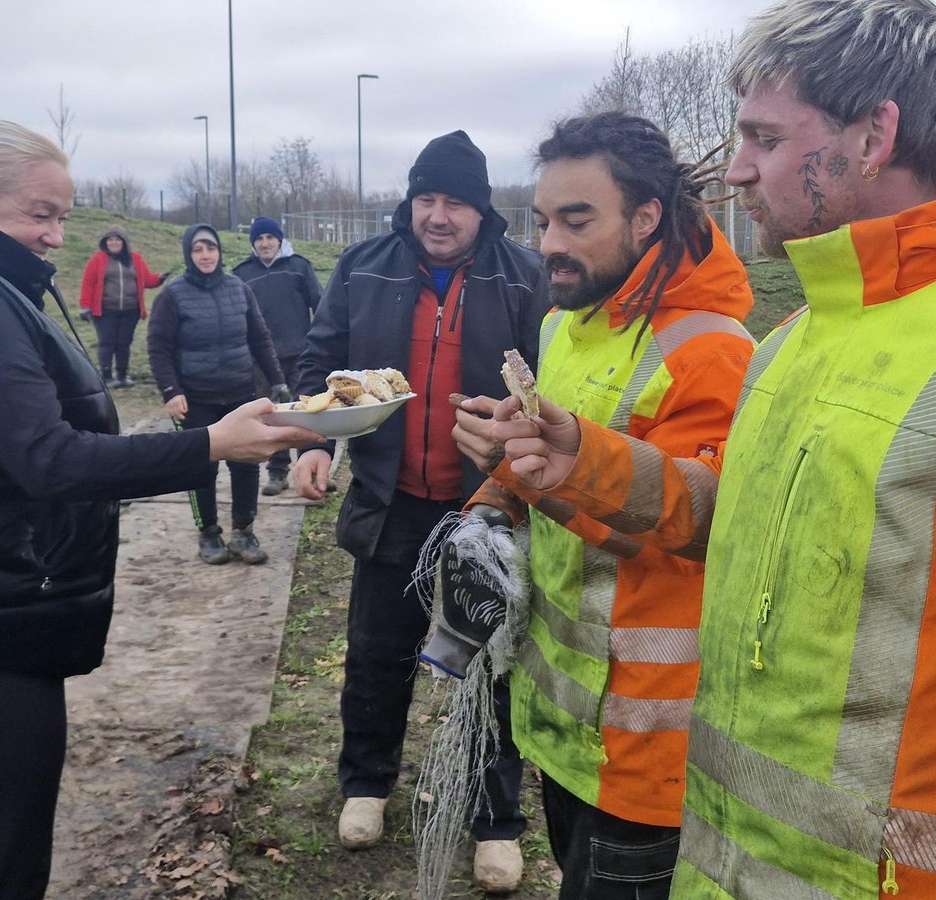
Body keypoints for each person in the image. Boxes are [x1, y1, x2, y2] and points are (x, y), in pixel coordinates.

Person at [494, 1, 936, 895]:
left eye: (764, 137)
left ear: (875, 135)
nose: (737, 170)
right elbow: (741, 532)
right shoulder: (802, 336)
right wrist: (582, 465)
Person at [0, 121, 318, 900]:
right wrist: (208, 445)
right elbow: (50, 460)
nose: (56, 237)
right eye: (39, 215)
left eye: (63, 217)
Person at [447, 111, 754, 899]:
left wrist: (557, 467)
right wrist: (492, 499)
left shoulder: (712, 349)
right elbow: (543, 466)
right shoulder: (563, 327)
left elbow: (704, 522)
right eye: (544, 219)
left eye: (577, 220)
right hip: (562, 723)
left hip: (648, 746)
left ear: (647, 217)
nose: (550, 243)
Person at [292, 129, 552, 893]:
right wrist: (314, 443)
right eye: (426, 199)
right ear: (410, 202)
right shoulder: (363, 266)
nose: (437, 216)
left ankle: (496, 820)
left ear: (481, 212)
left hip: (486, 507)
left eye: (455, 203)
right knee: (377, 653)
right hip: (390, 497)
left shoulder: (522, 277)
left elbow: (553, 380)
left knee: (490, 662)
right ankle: (366, 784)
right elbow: (320, 359)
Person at [148, 223, 293, 566]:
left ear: (219, 251)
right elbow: (158, 347)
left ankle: (244, 531)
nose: (205, 255)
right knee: (200, 468)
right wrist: (171, 390)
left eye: (210, 248)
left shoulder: (239, 289)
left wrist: (277, 381)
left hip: (240, 392)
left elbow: (260, 339)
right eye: (198, 249)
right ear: (188, 254)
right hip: (194, 399)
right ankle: (209, 533)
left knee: (246, 463)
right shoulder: (173, 295)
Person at [233, 215, 322, 496]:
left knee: (307, 413)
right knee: (272, 417)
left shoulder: (299, 267)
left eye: (270, 237)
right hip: (261, 360)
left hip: (300, 353)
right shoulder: (242, 274)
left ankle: (311, 470)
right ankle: (277, 472)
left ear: (279, 240)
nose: (265, 243)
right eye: (259, 239)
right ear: (253, 244)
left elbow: (321, 306)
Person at [77, 225, 171, 388]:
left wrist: (160, 278)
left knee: (124, 343)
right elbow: (88, 284)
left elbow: (147, 280)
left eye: (117, 239)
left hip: (131, 311)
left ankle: (122, 376)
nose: (113, 242)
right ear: (105, 242)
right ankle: (106, 376)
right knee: (107, 342)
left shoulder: (135, 259)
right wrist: (85, 307)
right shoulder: (97, 259)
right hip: (105, 310)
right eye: (110, 239)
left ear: (124, 242)